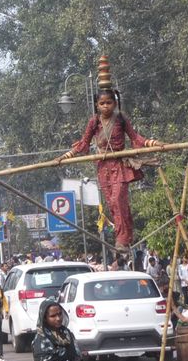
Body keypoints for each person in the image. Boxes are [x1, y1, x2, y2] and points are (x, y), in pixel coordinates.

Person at [57, 60, 162, 254]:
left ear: (115, 103)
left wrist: (153, 143)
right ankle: (123, 237)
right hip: (103, 168)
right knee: (111, 204)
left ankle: (123, 240)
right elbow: (83, 143)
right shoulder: (94, 121)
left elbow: (136, 137)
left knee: (118, 201)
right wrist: (67, 155)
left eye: (109, 103)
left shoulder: (121, 119)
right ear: (97, 105)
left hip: (120, 166)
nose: (106, 106)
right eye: (102, 103)